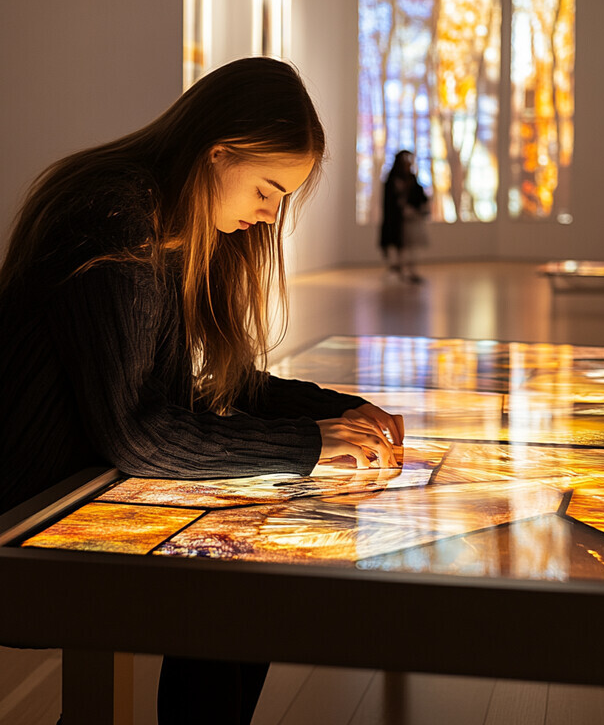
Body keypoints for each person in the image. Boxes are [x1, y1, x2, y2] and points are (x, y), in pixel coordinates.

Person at [0, 57, 404, 725]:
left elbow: (206, 390)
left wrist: (335, 411)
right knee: (234, 582)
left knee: (247, 575)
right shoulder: (113, 217)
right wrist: (308, 443)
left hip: (86, 480)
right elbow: (138, 430)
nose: (271, 216)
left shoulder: (174, 223)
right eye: (268, 189)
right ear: (219, 153)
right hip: (31, 507)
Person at [378, 150, 430, 283]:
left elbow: (419, 197)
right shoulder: (392, 180)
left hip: (411, 221)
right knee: (397, 247)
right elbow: (389, 203)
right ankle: (397, 270)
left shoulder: (412, 179)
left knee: (410, 247)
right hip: (396, 222)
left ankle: (409, 271)